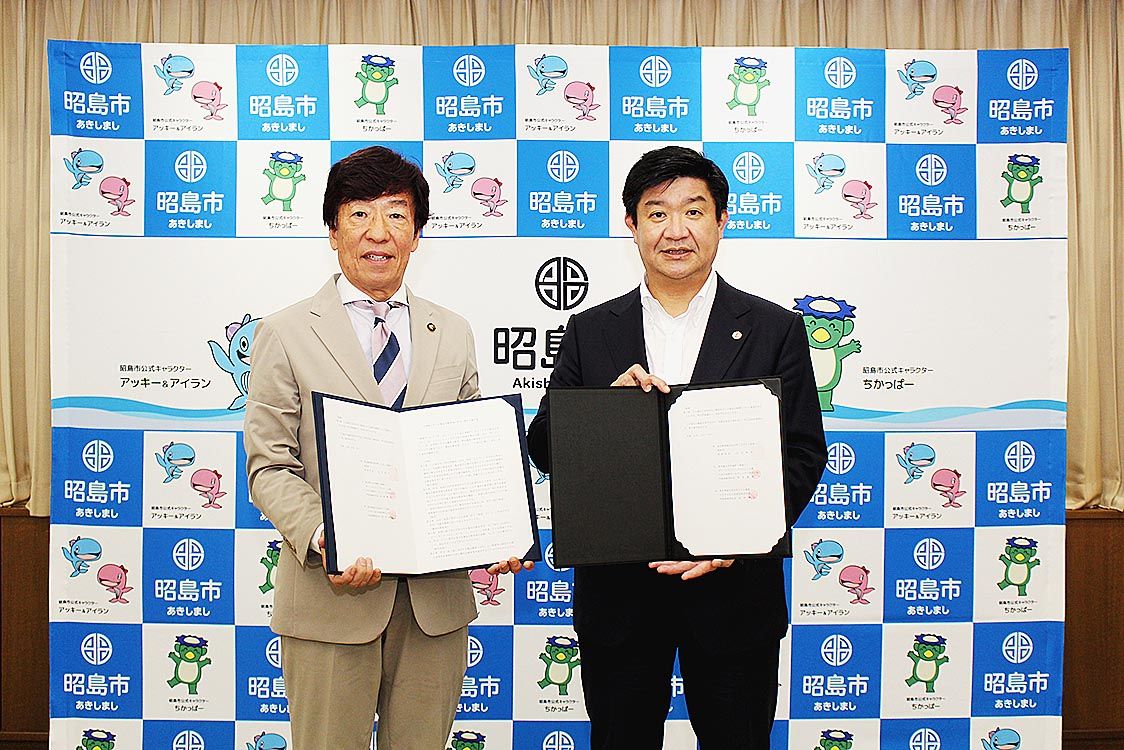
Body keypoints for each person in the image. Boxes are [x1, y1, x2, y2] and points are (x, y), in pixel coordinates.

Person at [526, 145, 827, 749]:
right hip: (620, 598)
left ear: (721, 221)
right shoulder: (591, 330)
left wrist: (736, 538)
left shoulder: (775, 329)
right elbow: (544, 448)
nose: (676, 230)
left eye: (694, 211)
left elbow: (801, 452)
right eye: (657, 213)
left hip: (734, 596)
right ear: (631, 224)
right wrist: (602, 412)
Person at [244, 145, 530, 750]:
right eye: (359, 214)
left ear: (417, 234)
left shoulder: (452, 331)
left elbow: (467, 458)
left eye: (397, 214)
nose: (379, 233)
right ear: (333, 231)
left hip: (434, 606)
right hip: (332, 599)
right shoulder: (285, 331)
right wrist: (326, 534)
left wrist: (496, 529)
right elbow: (269, 465)